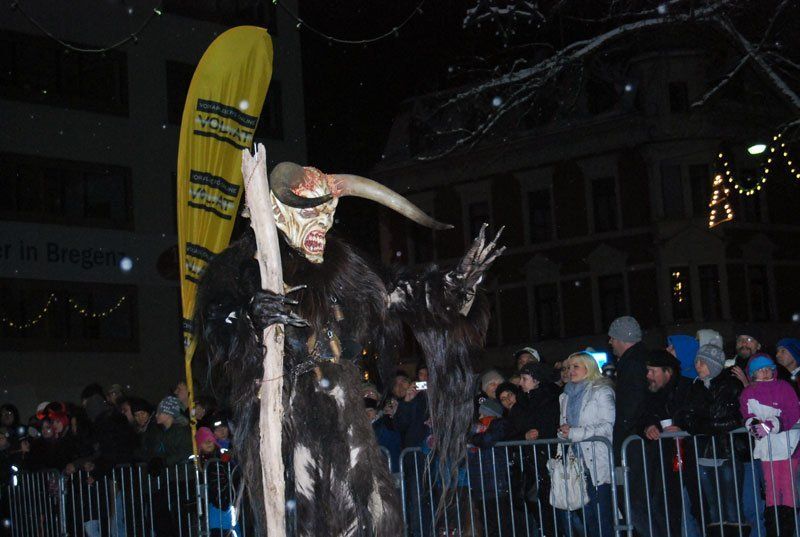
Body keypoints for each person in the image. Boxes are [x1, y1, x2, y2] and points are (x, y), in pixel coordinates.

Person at [678, 344, 747, 531]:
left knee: (731, 504)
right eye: (696, 362)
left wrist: (706, 426)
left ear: (713, 364)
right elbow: (688, 417)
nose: (697, 366)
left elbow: (736, 418)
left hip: (728, 451)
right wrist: (709, 425)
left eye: (702, 362)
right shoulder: (696, 387)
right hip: (704, 452)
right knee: (712, 507)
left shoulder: (731, 385)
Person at [641, 350, 703, 537]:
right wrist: (648, 427)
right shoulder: (651, 393)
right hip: (664, 461)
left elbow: (700, 417)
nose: (648, 375)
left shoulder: (690, 388)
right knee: (668, 506)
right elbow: (643, 416)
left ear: (667, 372)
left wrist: (683, 428)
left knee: (696, 505)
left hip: (692, 457)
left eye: (653, 371)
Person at [556, 352, 615, 537]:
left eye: (576, 366)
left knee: (601, 517)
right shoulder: (565, 396)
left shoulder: (601, 391)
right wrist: (563, 432)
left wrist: (574, 432)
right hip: (577, 463)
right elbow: (564, 425)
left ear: (588, 368)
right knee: (588, 519)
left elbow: (607, 427)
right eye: (568, 367)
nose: (570, 371)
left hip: (596, 461)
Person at [739, 355, 800, 536]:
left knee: (787, 488)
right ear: (753, 374)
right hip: (767, 449)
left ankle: (788, 529)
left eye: (768, 369)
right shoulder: (748, 393)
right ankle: (774, 529)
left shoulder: (784, 387)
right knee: (771, 489)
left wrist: (770, 425)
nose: (765, 372)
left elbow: (793, 411)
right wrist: (753, 426)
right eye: (760, 370)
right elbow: (747, 414)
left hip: (789, 446)